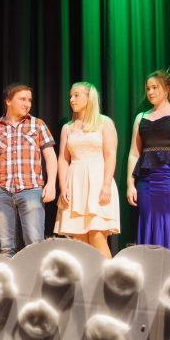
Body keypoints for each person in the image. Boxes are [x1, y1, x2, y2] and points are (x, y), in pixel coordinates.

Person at [126, 70, 170, 267]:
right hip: (146, 183)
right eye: (148, 88)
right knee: (148, 225)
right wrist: (130, 184)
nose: (150, 92)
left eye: (155, 87)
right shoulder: (141, 117)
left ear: (167, 89)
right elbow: (134, 153)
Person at [0, 83, 57, 258]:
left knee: (35, 244)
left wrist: (51, 183)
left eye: (29, 100)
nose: (27, 104)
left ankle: (35, 277)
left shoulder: (37, 125)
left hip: (31, 189)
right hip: (1, 191)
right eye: (22, 99)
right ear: (8, 101)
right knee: (6, 247)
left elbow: (50, 156)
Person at [54, 82, 120, 258]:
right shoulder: (68, 128)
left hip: (98, 181)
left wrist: (106, 185)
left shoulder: (104, 123)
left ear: (89, 97)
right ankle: (88, 276)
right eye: (71, 96)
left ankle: (111, 275)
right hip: (75, 183)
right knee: (79, 242)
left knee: (97, 236)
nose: (71, 99)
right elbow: (63, 158)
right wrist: (63, 186)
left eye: (76, 95)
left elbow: (110, 154)